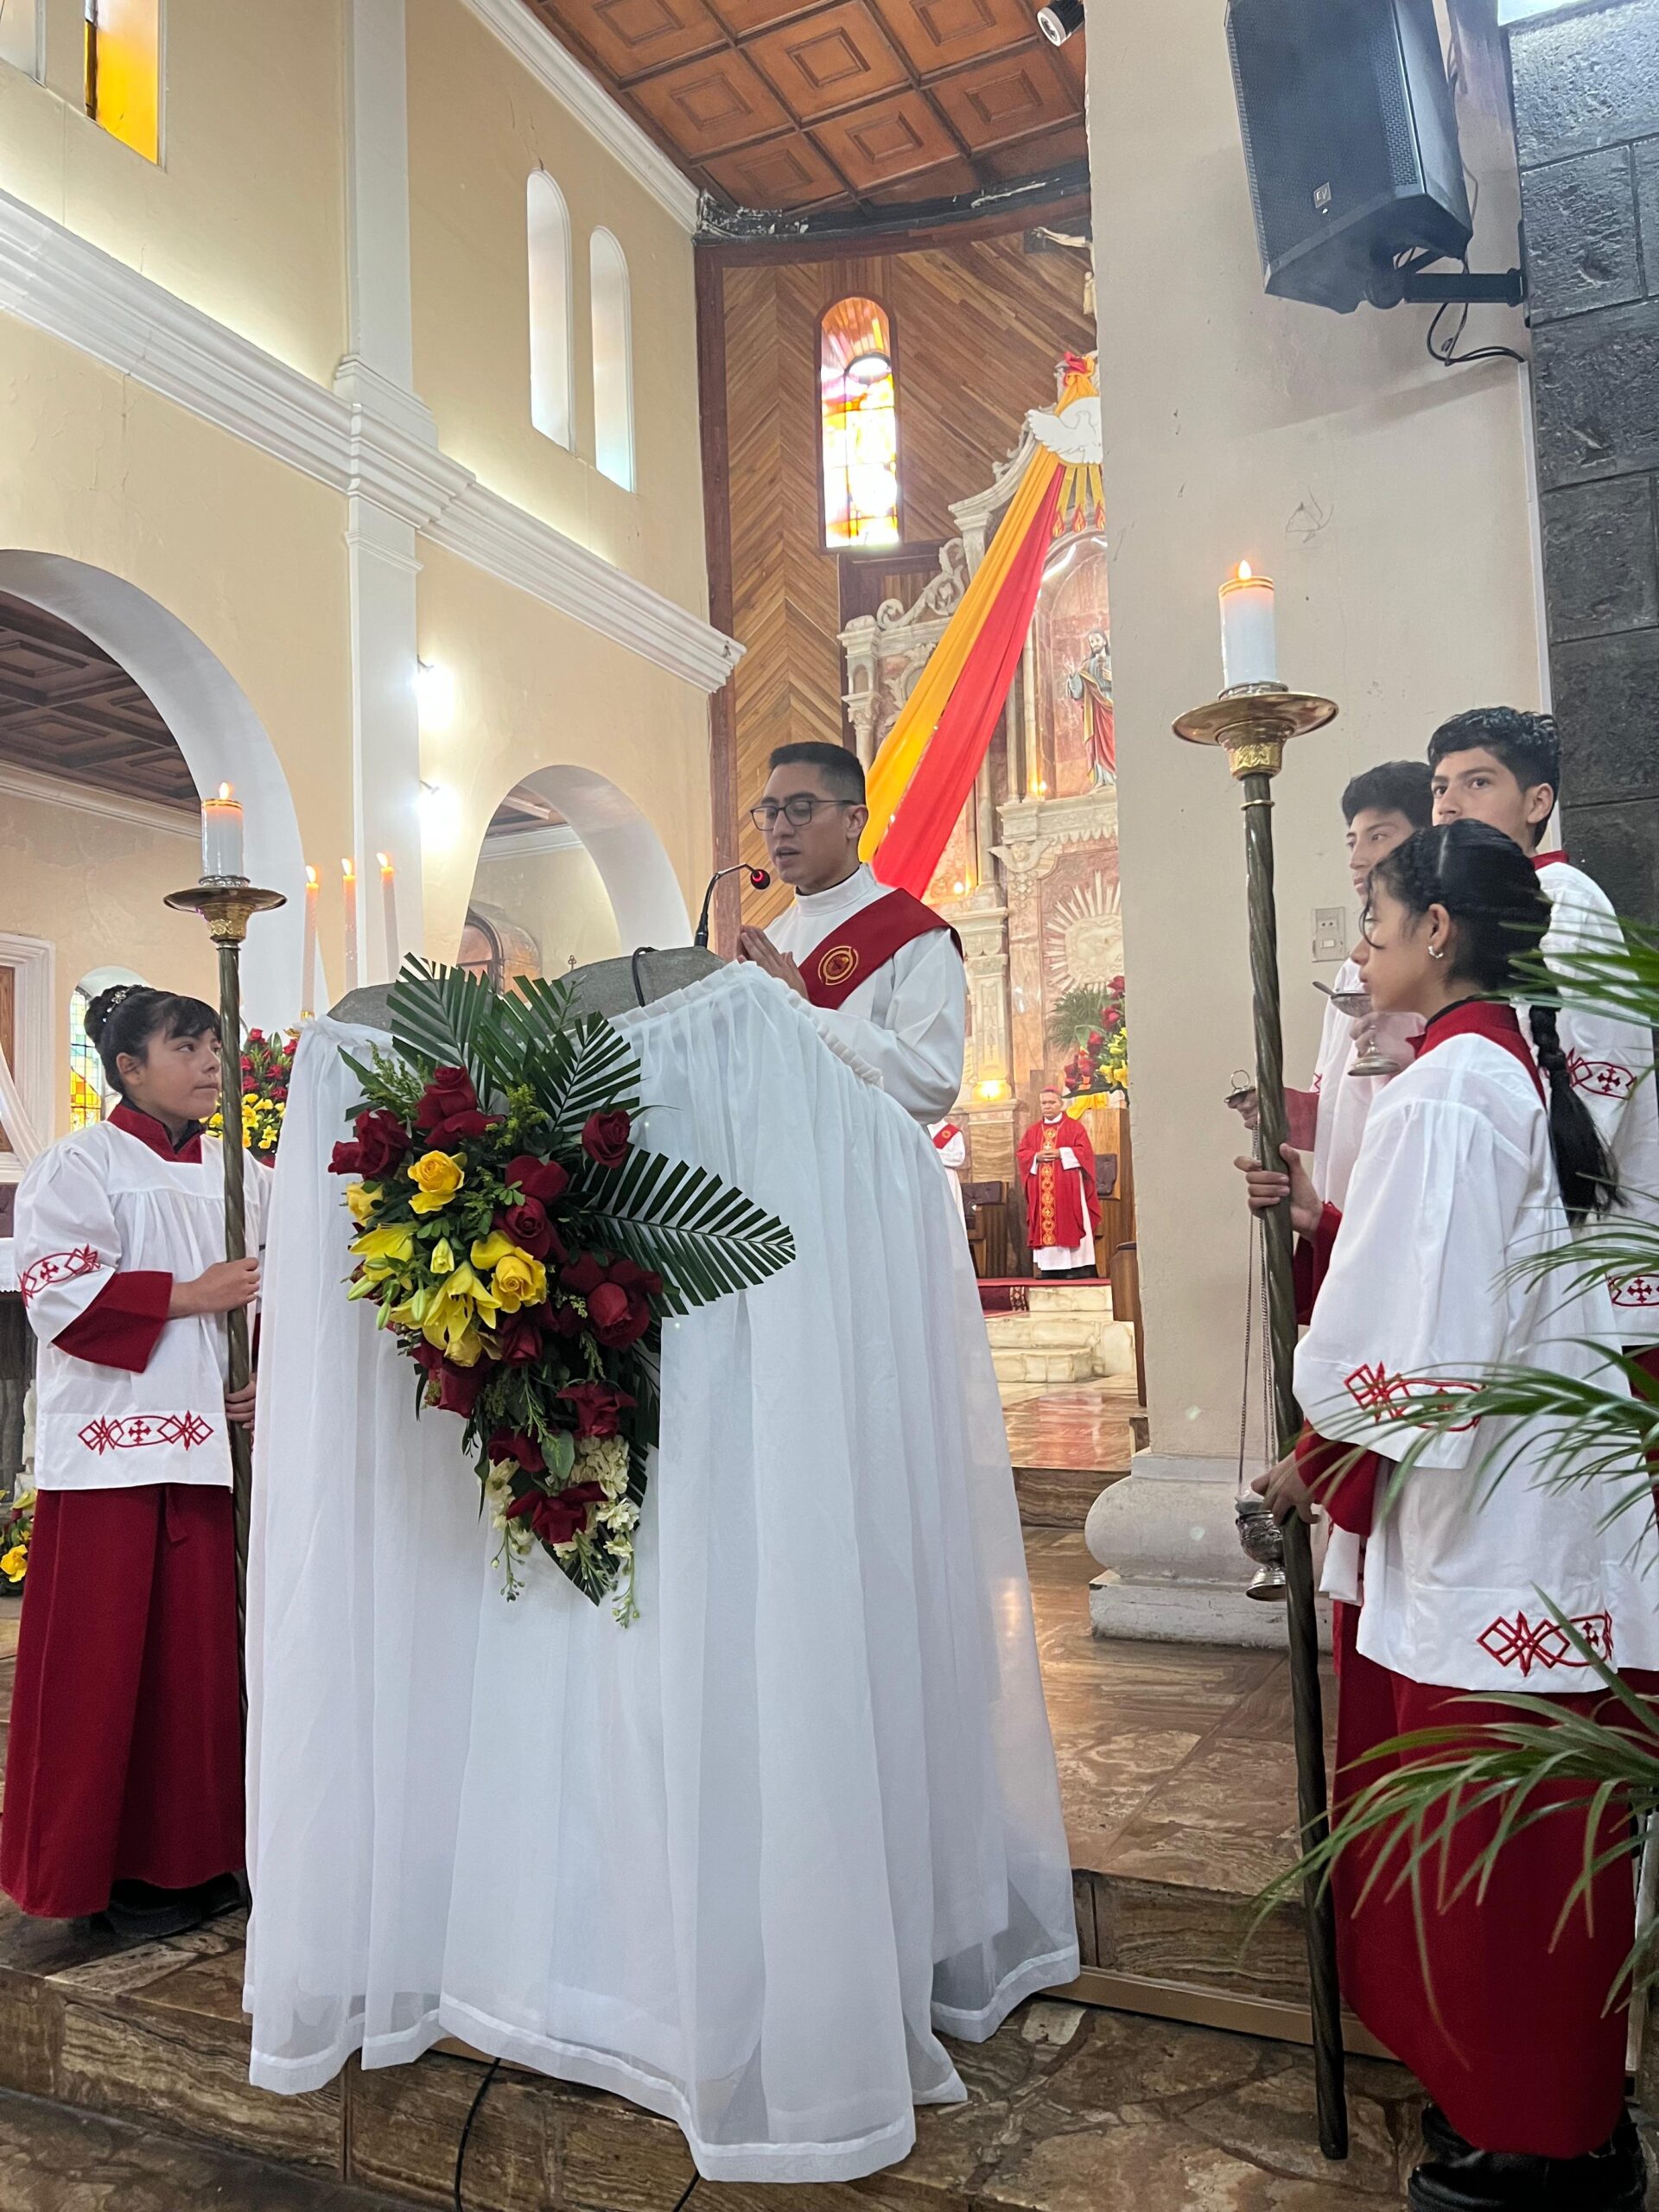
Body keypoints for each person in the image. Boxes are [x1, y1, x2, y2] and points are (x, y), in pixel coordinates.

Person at [1245, 823, 1659, 2211]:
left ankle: (1533, 2143)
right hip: (1557, 1523)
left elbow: (1419, 1342)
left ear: (1440, 931)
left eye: (1375, 912)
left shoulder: (1443, 1091)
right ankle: (1563, 2117)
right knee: (1551, 1840)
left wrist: (1318, 1463)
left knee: (1494, 1851)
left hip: (1491, 1528)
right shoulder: (1515, 1064)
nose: (1359, 940)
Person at [3, 985, 266, 1939]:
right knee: (105, 1668)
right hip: (114, 1454)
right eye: (186, 1044)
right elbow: (58, 1299)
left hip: (211, 1450)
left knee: (199, 1669)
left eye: (215, 1043)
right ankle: (99, 1869)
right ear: (127, 1067)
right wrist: (195, 1296)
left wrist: (257, 1372)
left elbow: (280, 1292)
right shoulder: (78, 1166)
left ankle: (198, 1855)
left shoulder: (246, 1175)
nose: (210, 1061)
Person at [1429, 707, 1659, 1351]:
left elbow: (1590, 1089)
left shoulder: (1563, 899)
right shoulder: (1493, 911)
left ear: (1537, 801)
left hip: (1587, 1251)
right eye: (1440, 787)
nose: (1448, 806)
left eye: (1478, 783)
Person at [1230, 760, 1432, 1207]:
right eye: (1351, 841)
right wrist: (1280, 1111)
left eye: (1379, 836)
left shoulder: (1441, 950)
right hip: (1348, 1191)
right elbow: (1341, 1105)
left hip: (1413, 1187)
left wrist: (1409, 1056)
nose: (1357, 859)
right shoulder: (1352, 969)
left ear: (1427, 838)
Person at [737, 743, 966, 1125]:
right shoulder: (771, 939)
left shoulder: (915, 935)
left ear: (854, 820)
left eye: (800, 809)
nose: (779, 828)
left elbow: (932, 1083)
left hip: (871, 1167)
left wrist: (804, 1015)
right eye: (771, 812)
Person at [1017, 1086, 1101, 1278]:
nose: (1047, 1106)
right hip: (1042, 1187)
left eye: (1051, 1102)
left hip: (1067, 1187)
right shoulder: (1033, 1131)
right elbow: (1022, 1154)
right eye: (1044, 1103)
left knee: (1067, 1218)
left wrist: (1061, 1153)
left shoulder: (1074, 1127)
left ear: (1061, 1104)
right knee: (1046, 1221)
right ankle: (1048, 1268)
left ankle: (1075, 1267)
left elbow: (1085, 1153)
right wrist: (1036, 1156)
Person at [930, 1117, 967, 1224]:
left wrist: (932, 1153)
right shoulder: (921, 1131)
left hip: (947, 1176)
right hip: (926, 1177)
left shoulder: (953, 1133)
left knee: (949, 1213)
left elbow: (959, 1157)